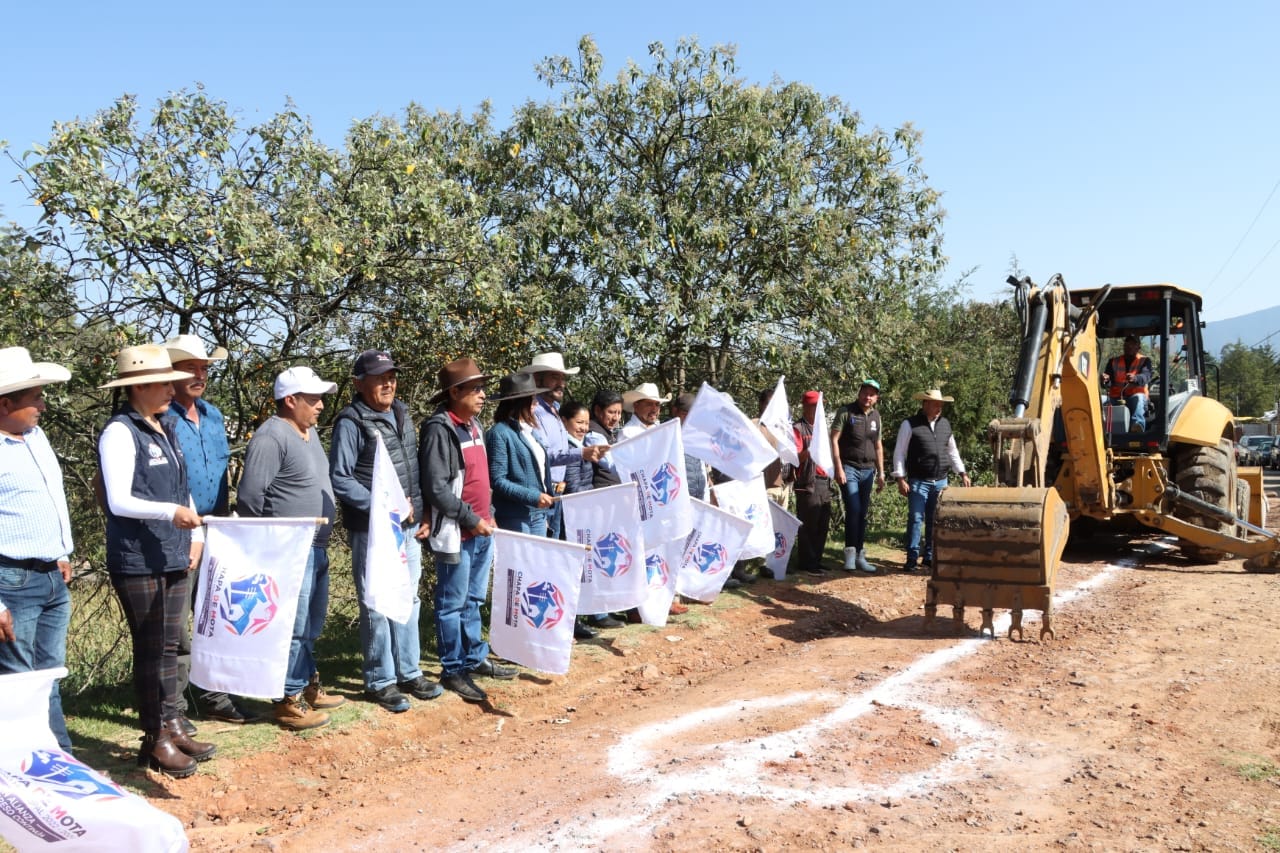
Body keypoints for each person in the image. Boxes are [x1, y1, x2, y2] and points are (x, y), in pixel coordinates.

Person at [98, 344, 216, 778]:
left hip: (171, 551)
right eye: (164, 381)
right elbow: (119, 500)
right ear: (138, 386)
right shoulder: (119, 431)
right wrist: (172, 514)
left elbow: (180, 487)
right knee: (150, 651)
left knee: (169, 647)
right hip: (137, 558)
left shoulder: (163, 426)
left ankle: (172, 724)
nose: (173, 387)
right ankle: (154, 738)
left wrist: (195, 534)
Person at [329, 350, 439, 714]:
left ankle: (410, 672)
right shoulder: (351, 421)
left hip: (407, 527)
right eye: (379, 377)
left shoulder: (403, 413)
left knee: (407, 598)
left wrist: (420, 513)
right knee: (377, 603)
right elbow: (341, 478)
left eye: (392, 375)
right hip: (373, 531)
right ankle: (381, 680)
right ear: (360, 383)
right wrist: (382, 506)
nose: (388, 382)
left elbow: (413, 470)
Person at [237, 366, 341, 730]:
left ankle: (307, 684)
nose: (321, 405)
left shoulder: (307, 434)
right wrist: (271, 541)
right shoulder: (271, 435)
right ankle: (287, 698)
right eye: (312, 399)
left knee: (311, 623)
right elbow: (251, 497)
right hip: (289, 549)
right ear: (290, 400)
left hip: (316, 544)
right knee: (292, 626)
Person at [163, 333, 256, 725]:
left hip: (218, 526)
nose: (200, 374)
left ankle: (215, 694)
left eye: (204, 368)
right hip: (179, 530)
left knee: (215, 612)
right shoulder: (161, 418)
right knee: (177, 621)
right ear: (170, 372)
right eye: (191, 367)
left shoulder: (214, 415)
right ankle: (175, 707)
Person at [419, 358, 515, 704]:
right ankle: (453, 668)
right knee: (451, 603)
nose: (482, 395)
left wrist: (487, 513)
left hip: (481, 528)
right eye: (475, 389)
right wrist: (470, 518)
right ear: (454, 392)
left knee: (474, 599)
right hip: (457, 532)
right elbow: (436, 487)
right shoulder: (439, 428)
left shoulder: (473, 425)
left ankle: (475, 658)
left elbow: (480, 480)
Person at [0, 347, 75, 752]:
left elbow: (49, 496)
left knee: (47, 675)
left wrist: (61, 550)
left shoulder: (36, 437)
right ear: (6, 403)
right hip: (11, 579)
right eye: (35, 399)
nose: (42, 406)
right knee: (20, 681)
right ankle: (52, 761)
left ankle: (53, 759)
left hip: (49, 575)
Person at [517, 353, 609, 539]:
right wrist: (581, 453)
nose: (561, 383)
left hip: (557, 493)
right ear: (537, 378)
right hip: (542, 494)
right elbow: (543, 455)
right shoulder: (535, 412)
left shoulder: (555, 410)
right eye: (554, 377)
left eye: (562, 378)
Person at [891, 389, 971, 572]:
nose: (939, 408)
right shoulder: (909, 424)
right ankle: (912, 557)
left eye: (940, 404)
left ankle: (929, 556)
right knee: (916, 518)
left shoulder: (945, 425)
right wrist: (900, 478)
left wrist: (962, 473)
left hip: (941, 480)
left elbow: (952, 452)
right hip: (918, 480)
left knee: (935, 519)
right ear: (925, 404)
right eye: (935, 404)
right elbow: (900, 452)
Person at [831, 379, 886, 574]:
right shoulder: (846, 411)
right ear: (859, 392)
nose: (867, 397)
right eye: (865, 392)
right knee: (853, 508)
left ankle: (860, 554)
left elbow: (878, 446)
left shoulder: (876, 417)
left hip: (868, 470)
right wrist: (838, 467)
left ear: (876, 398)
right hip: (849, 467)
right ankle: (850, 555)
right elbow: (834, 439)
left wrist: (881, 473)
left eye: (872, 394)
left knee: (862, 512)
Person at [792, 391, 833, 576]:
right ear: (806, 407)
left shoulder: (822, 429)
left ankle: (817, 559)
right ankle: (807, 563)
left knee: (822, 522)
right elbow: (796, 458)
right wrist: (810, 449)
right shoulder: (798, 428)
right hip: (808, 480)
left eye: (819, 407)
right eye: (813, 406)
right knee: (809, 523)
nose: (816, 410)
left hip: (824, 480)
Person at [1102, 334, 1153, 432]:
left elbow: (1146, 376)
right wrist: (1105, 379)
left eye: (1133, 344)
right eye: (1127, 343)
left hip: (1134, 398)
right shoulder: (1113, 361)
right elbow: (1108, 382)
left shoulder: (1145, 361)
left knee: (1138, 397)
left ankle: (1137, 426)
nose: (1130, 346)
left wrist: (1136, 378)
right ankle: (1097, 427)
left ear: (1138, 347)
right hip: (1115, 398)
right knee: (1100, 399)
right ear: (1124, 346)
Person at [586, 389, 624, 490]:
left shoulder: (607, 431)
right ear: (597, 410)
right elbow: (611, 465)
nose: (616, 418)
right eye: (611, 412)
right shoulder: (594, 435)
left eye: (619, 413)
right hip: (604, 492)